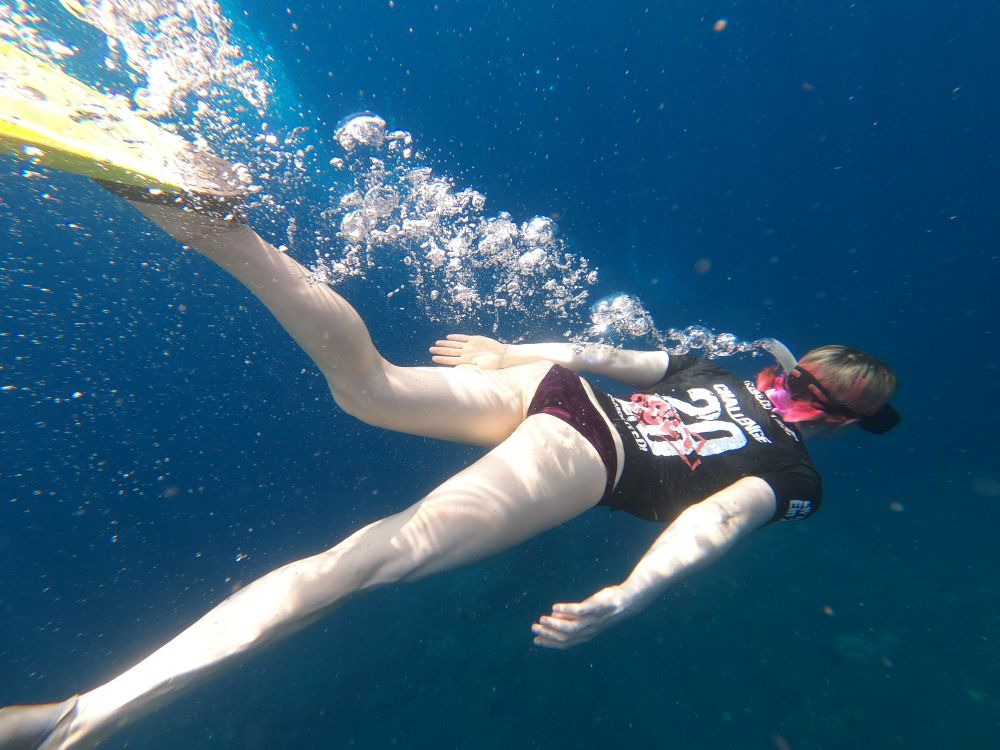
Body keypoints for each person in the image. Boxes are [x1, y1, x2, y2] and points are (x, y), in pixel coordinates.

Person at [0, 50, 899, 750]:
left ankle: (215, 225)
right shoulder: (794, 470)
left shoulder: (724, 373)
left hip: (553, 395)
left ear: (807, 390)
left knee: (369, 385)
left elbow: (601, 355)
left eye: (795, 385)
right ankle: (86, 715)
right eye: (798, 386)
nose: (783, 392)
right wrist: (633, 593)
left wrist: (514, 351)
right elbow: (715, 522)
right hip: (584, 451)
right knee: (364, 562)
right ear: (844, 420)